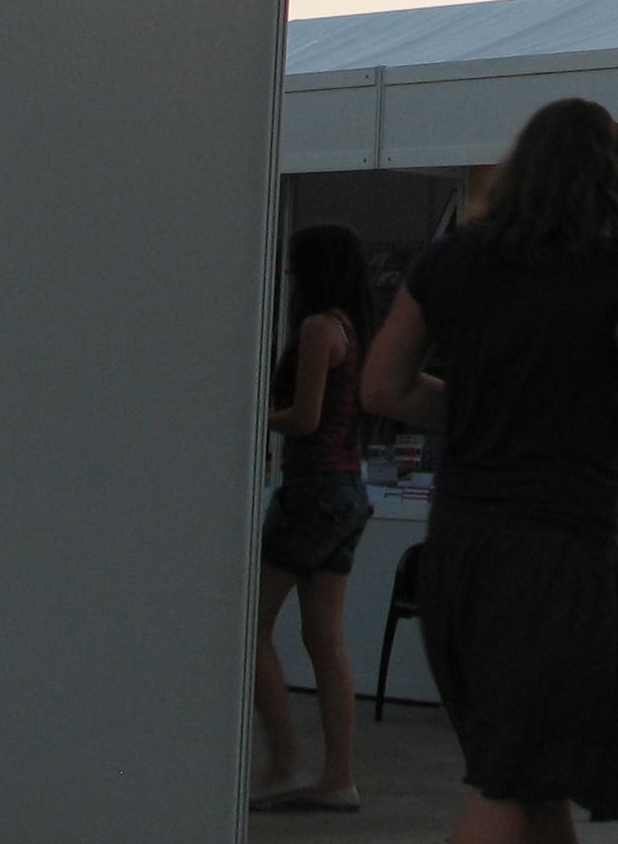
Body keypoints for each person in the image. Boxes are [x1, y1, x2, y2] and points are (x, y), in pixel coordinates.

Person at [363, 100, 618, 844]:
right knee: (513, 780)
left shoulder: (450, 259)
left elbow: (383, 388)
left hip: (459, 547)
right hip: (557, 552)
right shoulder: (616, 270)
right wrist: (569, 411)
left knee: (535, 778)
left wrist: (486, 409)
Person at [252, 221, 379, 814]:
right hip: (348, 490)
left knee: (252, 628)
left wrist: (247, 415)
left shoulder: (316, 329)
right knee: (323, 636)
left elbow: (304, 419)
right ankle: (338, 776)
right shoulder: (352, 329)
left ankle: (282, 764)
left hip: (312, 490)